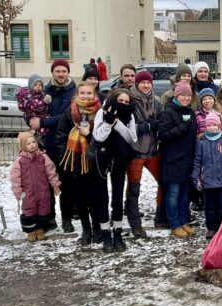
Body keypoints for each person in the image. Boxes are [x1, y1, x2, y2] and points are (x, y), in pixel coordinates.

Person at [54, 81, 103, 244]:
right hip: (75, 163)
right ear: (76, 95)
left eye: (89, 93)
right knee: (80, 199)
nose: (86, 96)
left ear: (95, 95)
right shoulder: (70, 112)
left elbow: (105, 137)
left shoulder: (100, 113)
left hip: (94, 162)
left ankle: (97, 229)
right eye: (82, 93)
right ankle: (86, 230)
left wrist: (89, 134)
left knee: (94, 198)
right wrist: (66, 158)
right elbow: (60, 136)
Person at [92, 89, 138, 252]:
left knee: (117, 197)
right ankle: (105, 233)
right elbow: (98, 136)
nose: (123, 104)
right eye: (121, 100)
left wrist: (116, 124)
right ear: (113, 99)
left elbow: (131, 138)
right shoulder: (102, 112)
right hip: (102, 158)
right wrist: (107, 123)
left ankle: (117, 232)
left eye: (126, 102)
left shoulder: (130, 115)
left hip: (120, 159)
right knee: (101, 197)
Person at [36, 59, 76, 233]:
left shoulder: (74, 91)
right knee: (46, 184)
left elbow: (67, 116)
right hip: (46, 144)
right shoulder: (43, 90)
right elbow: (32, 113)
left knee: (66, 184)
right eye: (58, 71)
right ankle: (50, 218)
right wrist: (33, 121)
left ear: (68, 73)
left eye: (64, 71)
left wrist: (44, 121)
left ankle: (67, 219)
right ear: (52, 72)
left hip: (67, 145)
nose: (61, 74)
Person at [125, 70, 164, 237]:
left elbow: (162, 122)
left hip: (153, 150)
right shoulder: (130, 100)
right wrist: (146, 126)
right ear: (137, 84)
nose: (146, 85)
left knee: (164, 181)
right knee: (134, 187)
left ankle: (161, 216)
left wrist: (158, 125)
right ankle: (135, 223)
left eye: (148, 82)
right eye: (143, 82)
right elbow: (127, 126)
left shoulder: (156, 101)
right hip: (135, 151)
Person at [159, 82, 198, 239]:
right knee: (173, 194)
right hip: (173, 160)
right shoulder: (168, 112)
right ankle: (174, 224)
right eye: (183, 95)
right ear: (176, 95)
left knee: (184, 195)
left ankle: (183, 222)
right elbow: (163, 135)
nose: (186, 98)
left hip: (187, 160)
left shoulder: (190, 112)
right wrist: (183, 126)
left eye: (189, 95)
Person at [192, 112, 222, 239]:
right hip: (207, 181)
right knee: (210, 207)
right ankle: (211, 228)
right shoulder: (201, 142)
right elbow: (197, 161)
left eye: (214, 125)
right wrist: (196, 178)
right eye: (209, 125)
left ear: (219, 126)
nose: (212, 127)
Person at [10, 132, 61, 242]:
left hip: (43, 191)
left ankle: (40, 229)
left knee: (43, 209)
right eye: (28, 144)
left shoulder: (43, 156)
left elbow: (51, 171)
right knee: (29, 210)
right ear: (23, 145)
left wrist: (55, 184)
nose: (32, 145)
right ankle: (30, 231)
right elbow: (15, 177)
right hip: (28, 192)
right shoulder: (20, 160)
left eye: (34, 142)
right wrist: (17, 191)